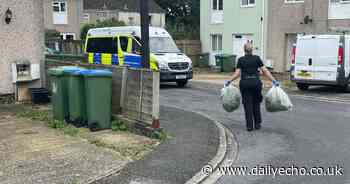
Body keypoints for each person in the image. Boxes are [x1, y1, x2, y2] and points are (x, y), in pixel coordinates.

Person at [226, 43, 279, 132]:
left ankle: (249, 126)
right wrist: (273, 80)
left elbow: (237, 74)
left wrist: (229, 81)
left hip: (245, 84)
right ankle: (257, 124)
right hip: (256, 84)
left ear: (244, 50)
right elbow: (265, 71)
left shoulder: (240, 60)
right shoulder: (257, 58)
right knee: (256, 103)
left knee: (247, 105)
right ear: (252, 50)